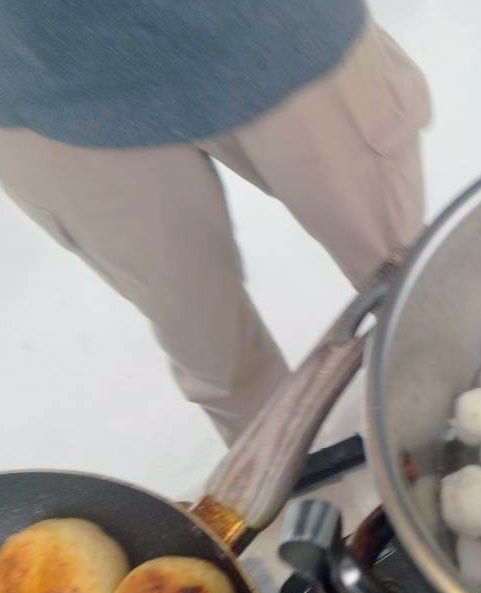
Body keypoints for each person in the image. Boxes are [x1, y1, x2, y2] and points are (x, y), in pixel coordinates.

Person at [0, 1, 430, 445]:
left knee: (410, 286)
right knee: (216, 355)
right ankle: (283, 477)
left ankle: (445, 427)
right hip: (39, 84)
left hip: (280, 33)